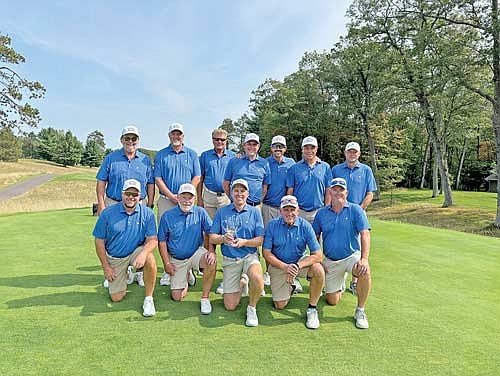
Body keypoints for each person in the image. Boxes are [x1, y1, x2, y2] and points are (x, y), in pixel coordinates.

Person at [95, 125, 155, 288]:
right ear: (122, 140)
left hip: (139, 203)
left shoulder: (144, 160)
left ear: (138, 141)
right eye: (127, 138)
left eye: (133, 138)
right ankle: (112, 270)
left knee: (141, 239)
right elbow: (101, 182)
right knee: (111, 238)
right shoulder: (111, 158)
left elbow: (150, 183)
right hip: (113, 202)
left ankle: (140, 272)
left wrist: (149, 204)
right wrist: (101, 204)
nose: (130, 141)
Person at [312, 177, 372, 329]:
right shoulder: (321, 213)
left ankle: (360, 311)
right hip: (331, 260)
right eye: (335, 189)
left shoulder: (356, 210)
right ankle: (341, 284)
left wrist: (364, 259)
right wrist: (317, 260)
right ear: (330, 191)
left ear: (347, 192)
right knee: (332, 300)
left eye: (341, 190)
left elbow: (365, 233)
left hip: (352, 256)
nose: (338, 192)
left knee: (364, 271)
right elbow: (315, 237)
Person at [93, 179, 158, 317]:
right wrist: (106, 267)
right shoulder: (107, 213)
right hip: (116, 256)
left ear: (140, 196)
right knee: (117, 297)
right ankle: (126, 273)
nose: (131, 197)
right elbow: (99, 241)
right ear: (122, 194)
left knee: (150, 258)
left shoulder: (147, 213)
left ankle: (149, 299)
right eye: (128, 193)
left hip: (135, 252)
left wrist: (144, 253)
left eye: (134, 194)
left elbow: (153, 240)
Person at [262, 195, 325, 329]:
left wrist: (297, 266)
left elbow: (318, 255)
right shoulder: (272, 225)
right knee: (280, 305)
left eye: (292, 209)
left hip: (298, 263)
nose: (289, 213)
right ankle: (292, 286)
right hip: (279, 265)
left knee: (318, 269)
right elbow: (266, 253)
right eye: (286, 209)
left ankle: (312, 308)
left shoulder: (305, 226)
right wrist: (285, 267)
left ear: (298, 211)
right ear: (280, 211)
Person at [209, 179, 265, 327]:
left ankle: (252, 308)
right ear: (231, 193)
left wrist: (245, 242)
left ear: (247, 194)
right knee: (230, 306)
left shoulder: (255, 212)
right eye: (236, 190)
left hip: (249, 256)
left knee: (258, 278)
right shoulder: (222, 211)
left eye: (242, 191)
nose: (239, 194)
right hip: (230, 260)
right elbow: (212, 237)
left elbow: (260, 239)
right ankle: (243, 281)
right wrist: (222, 238)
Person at [157, 183, 216, 314]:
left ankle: (205, 297)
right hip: (177, 258)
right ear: (177, 198)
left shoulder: (200, 212)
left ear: (194, 199)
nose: (187, 201)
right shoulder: (167, 216)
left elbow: (211, 233)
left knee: (211, 261)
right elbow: (161, 241)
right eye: (183, 197)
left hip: (195, 252)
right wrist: (166, 263)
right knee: (177, 297)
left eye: (190, 198)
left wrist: (211, 251)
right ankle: (187, 274)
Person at [154, 122, 201, 287]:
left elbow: (197, 176)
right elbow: (158, 179)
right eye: (173, 134)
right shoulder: (161, 155)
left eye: (179, 134)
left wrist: (185, 194)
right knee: (166, 236)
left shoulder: (192, 154)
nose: (176, 136)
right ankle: (168, 270)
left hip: (187, 201)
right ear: (169, 136)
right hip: (167, 200)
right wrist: (172, 196)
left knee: (188, 235)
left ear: (183, 136)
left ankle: (188, 269)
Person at [331, 141, 377, 295]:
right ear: (345, 153)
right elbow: (330, 191)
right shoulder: (336, 169)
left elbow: (370, 192)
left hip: (357, 212)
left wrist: (360, 209)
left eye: (355, 152)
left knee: (355, 246)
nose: (352, 154)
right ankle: (338, 277)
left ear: (359, 154)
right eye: (349, 151)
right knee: (336, 242)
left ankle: (355, 282)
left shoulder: (366, 170)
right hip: (338, 212)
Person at [261, 135, 295, 287]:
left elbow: (291, 186)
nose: (278, 149)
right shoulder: (265, 163)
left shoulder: (291, 164)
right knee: (270, 242)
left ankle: (291, 273)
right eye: (275, 146)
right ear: (271, 148)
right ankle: (268, 272)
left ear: (285, 149)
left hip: (285, 209)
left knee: (289, 241)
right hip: (268, 206)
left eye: (281, 146)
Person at [286, 136, 332, 225]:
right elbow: (290, 191)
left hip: (319, 211)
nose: (309, 150)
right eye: (306, 148)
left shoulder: (325, 167)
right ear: (302, 149)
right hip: (300, 212)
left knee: (318, 238)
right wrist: (291, 210)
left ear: (317, 149)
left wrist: (326, 209)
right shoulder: (294, 168)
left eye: (312, 148)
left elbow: (328, 190)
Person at [223, 133, 271, 209]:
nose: (251, 147)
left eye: (254, 144)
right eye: (249, 144)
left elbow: (265, 186)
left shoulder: (264, 163)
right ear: (244, 145)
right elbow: (226, 183)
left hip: (255, 206)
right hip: (236, 206)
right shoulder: (234, 161)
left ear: (258, 146)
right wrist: (232, 198)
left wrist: (259, 200)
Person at [197, 128, 235, 219]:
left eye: (222, 139)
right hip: (209, 196)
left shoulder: (233, 156)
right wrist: (199, 199)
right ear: (212, 140)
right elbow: (200, 178)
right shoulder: (205, 155)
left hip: (226, 197)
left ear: (226, 141)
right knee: (208, 227)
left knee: (226, 226)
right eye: (216, 139)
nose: (219, 141)